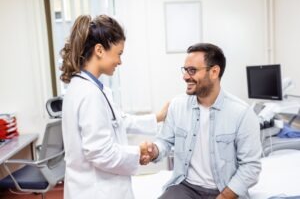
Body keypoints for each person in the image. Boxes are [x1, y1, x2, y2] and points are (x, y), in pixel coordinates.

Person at [60, 15, 168, 199]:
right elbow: (100, 153)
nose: (120, 61)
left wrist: (158, 117)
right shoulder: (89, 93)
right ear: (100, 50)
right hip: (96, 190)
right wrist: (137, 152)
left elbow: (118, 121)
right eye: (119, 54)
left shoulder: (87, 87)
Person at [143, 43, 262, 199]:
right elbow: (164, 141)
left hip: (225, 190)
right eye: (185, 70)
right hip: (185, 187)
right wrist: (154, 150)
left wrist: (225, 196)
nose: (185, 76)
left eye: (192, 70)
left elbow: (251, 167)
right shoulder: (177, 106)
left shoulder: (242, 113)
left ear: (214, 72)